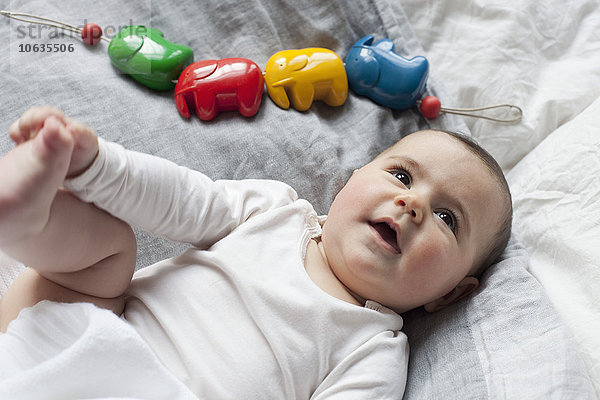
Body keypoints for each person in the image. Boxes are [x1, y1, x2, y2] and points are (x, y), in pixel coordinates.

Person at [0, 106, 511, 398]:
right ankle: (27, 215)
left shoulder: (373, 349)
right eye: (401, 176)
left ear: (451, 295)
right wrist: (99, 167)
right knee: (111, 249)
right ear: (350, 181)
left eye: (448, 218)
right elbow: (179, 198)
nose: (412, 204)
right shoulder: (276, 211)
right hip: (77, 337)